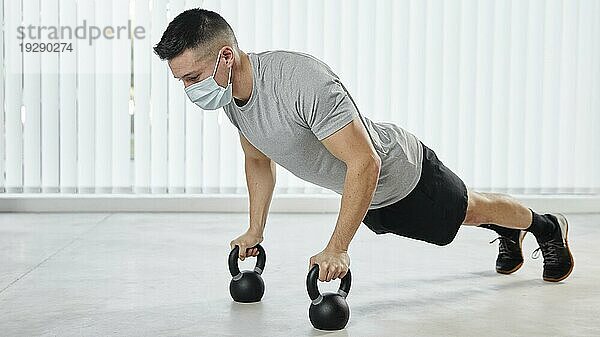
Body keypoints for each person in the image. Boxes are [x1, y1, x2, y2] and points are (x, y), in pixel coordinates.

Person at [153, 9, 574, 284]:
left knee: (470, 209)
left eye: (192, 77)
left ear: (226, 56)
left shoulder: (299, 81)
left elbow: (365, 162)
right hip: (368, 194)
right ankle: (506, 228)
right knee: (457, 221)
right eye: (182, 82)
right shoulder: (232, 96)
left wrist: (338, 247)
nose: (190, 90)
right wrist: (255, 229)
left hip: (401, 173)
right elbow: (258, 160)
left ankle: (544, 226)